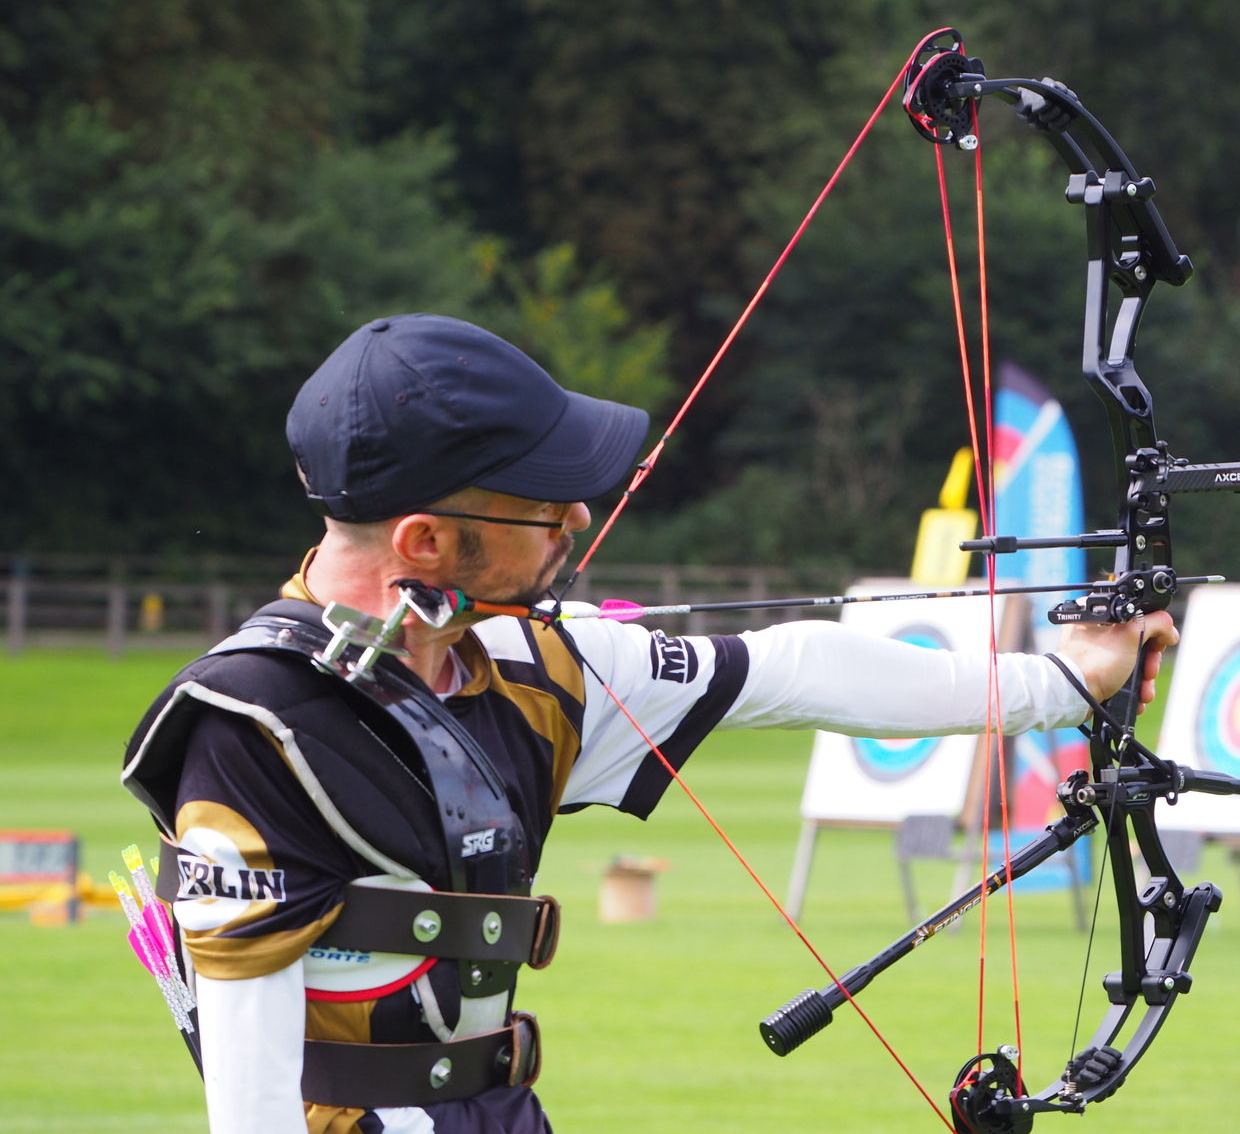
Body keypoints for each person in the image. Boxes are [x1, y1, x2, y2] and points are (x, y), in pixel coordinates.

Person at [123, 314, 1177, 1134]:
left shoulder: (530, 667)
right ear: (423, 540)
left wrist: (1062, 680)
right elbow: (252, 1095)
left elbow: (794, 665)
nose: (577, 518)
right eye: (541, 502)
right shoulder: (257, 728)